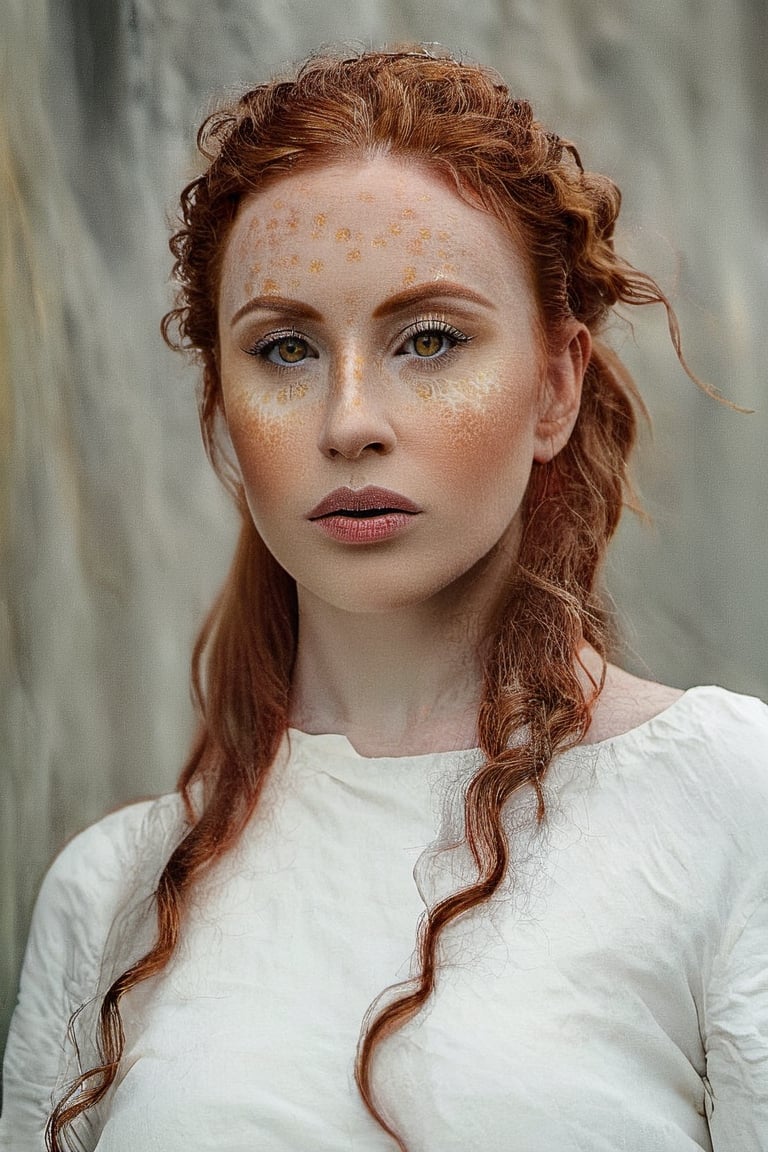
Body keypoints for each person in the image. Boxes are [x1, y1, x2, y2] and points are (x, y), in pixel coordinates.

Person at [1, 47, 766, 1152]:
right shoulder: (110, 891)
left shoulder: (728, 801)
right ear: (221, 412)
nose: (349, 421)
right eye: (286, 349)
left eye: (430, 340)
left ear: (556, 387)